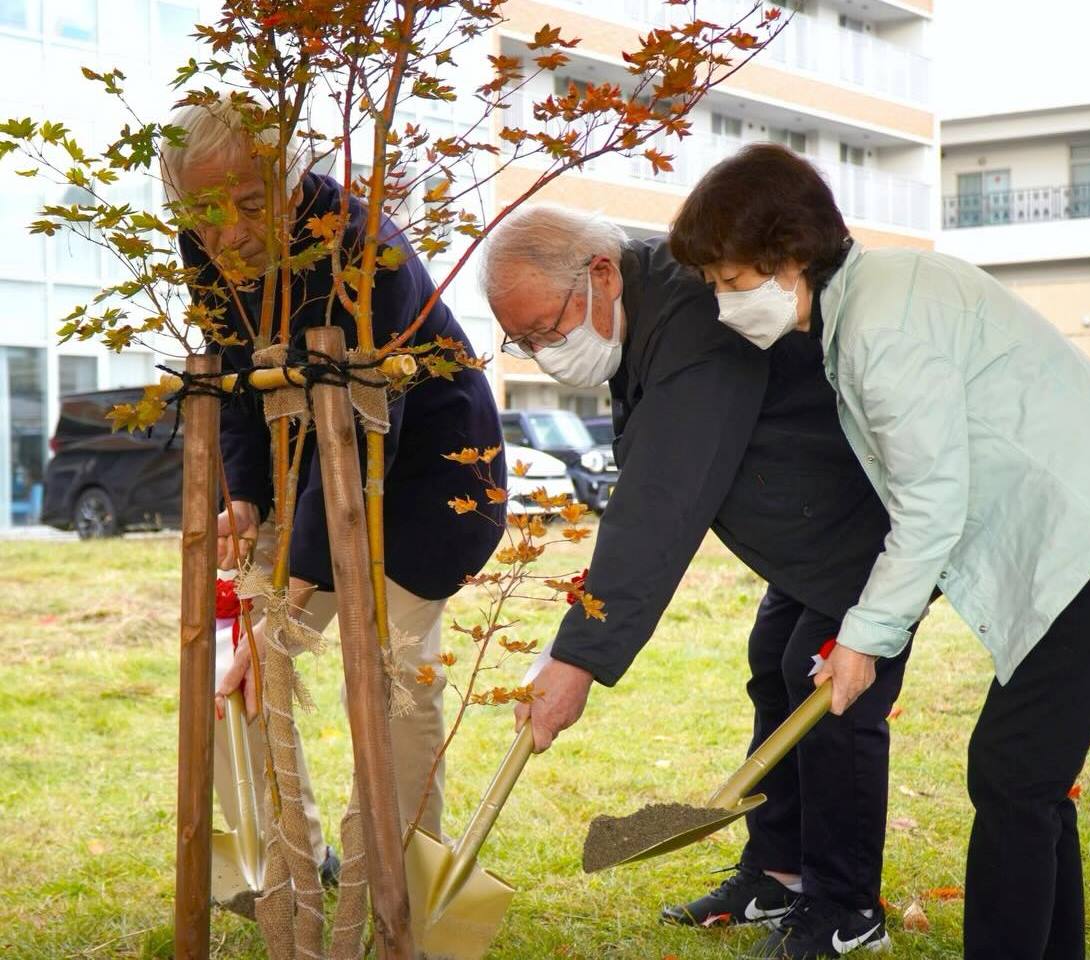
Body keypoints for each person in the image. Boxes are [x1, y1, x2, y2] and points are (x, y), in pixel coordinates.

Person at [668, 142, 1090, 960]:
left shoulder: (880, 331)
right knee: (1027, 777)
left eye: (731, 281)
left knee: (1013, 774)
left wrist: (865, 638)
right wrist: (862, 628)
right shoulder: (876, 298)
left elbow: (930, 501)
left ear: (789, 257)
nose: (724, 301)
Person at [481, 205, 916, 956]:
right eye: (523, 342)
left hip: (860, 521)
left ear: (601, 274)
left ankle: (846, 906)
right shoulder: (639, 313)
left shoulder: (690, 313)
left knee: (829, 691)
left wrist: (579, 657)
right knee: (774, 665)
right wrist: (572, 644)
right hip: (806, 530)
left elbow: (663, 499)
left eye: (547, 330)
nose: (545, 353)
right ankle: (777, 875)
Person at [160, 96, 505, 883]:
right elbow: (232, 373)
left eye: (252, 205)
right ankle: (294, 864)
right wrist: (243, 494)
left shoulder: (364, 249)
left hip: (423, 478)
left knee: (393, 683)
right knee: (240, 671)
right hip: (300, 476)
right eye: (205, 214)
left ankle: (395, 878)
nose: (228, 235)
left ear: (291, 182)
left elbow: (356, 428)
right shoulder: (205, 245)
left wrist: (291, 598)